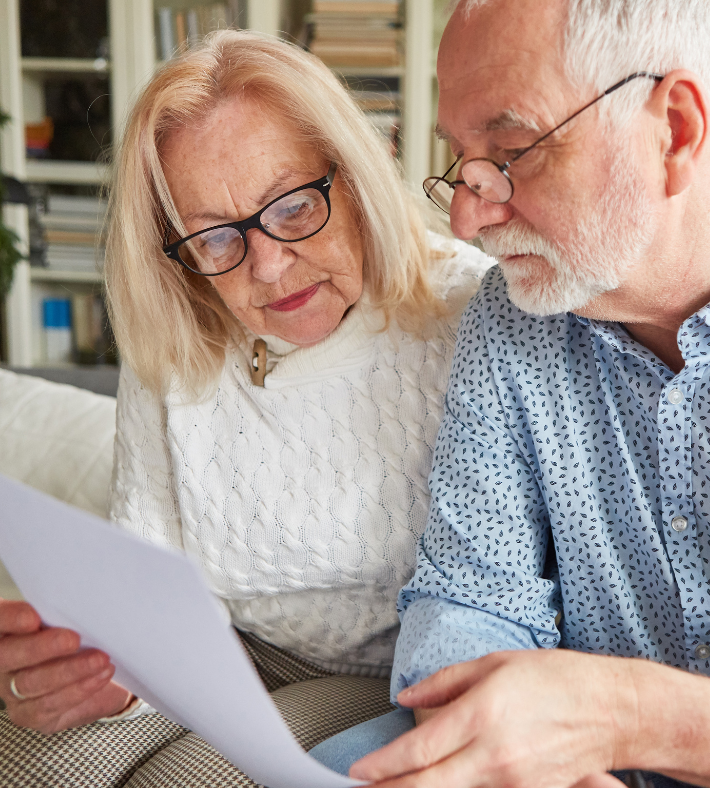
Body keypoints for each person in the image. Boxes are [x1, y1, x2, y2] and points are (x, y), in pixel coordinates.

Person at [308, 1, 710, 786]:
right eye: (461, 163)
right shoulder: (511, 319)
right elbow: (467, 600)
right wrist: (531, 761)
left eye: (511, 152)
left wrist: (625, 718)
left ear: (674, 129)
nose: (468, 218)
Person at [0, 29, 492, 788]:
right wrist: (99, 674)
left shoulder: (471, 315)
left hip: (389, 673)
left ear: (355, 176)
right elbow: (147, 568)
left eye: (294, 207)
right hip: (213, 651)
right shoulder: (176, 330)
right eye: (214, 236)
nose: (266, 264)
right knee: (28, 763)